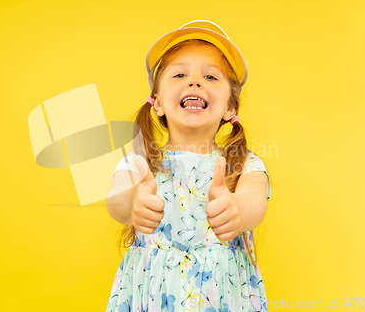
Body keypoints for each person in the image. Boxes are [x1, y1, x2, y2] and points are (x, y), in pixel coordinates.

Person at [105, 20, 272, 312]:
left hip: (220, 296)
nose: (194, 82)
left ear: (229, 108)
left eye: (210, 77)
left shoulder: (244, 164)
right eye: (180, 74)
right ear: (156, 102)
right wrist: (132, 202)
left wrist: (236, 208)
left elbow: (255, 202)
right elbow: (116, 200)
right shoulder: (139, 163)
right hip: (152, 294)